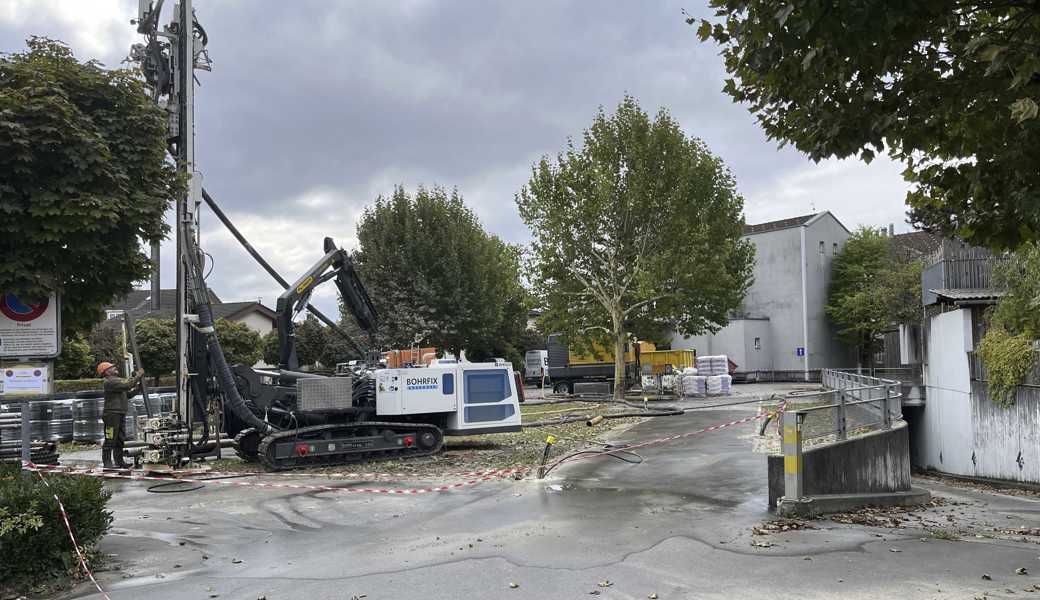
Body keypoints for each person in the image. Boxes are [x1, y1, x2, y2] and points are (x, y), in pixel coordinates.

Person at [97, 362, 144, 469]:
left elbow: (128, 394)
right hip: (111, 415)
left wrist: (138, 388)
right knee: (110, 438)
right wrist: (137, 376)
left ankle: (119, 462)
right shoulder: (110, 382)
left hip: (119, 413)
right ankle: (107, 463)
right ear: (106, 371)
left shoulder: (117, 384)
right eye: (112, 367)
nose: (115, 368)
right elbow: (127, 385)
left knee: (120, 439)